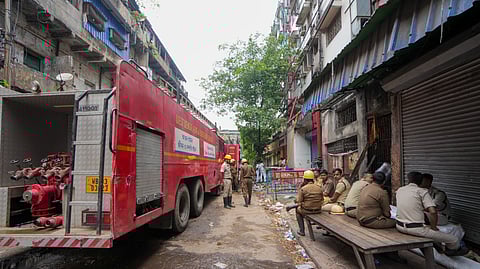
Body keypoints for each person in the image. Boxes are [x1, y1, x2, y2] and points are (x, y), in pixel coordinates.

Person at [396, 171, 468, 256]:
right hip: (416, 229)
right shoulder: (422, 191)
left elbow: (430, 210)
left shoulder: (400, 190)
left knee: (423, 219)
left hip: (399, 226)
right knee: (454, 240)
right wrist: (433, 228)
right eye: (424, 181)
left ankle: (437, 245)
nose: (425, 183)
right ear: (420, 181)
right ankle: (449, 251)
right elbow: (432, 211)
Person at [286, 170, 323, 236]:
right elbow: (322, 199)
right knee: (299, 206)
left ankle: (302, 231)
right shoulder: (319, 188)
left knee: (297, 211)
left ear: (305, 180)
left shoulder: (303, 189)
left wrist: (300, 188)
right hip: (318, 210)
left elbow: (298, 201)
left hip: (307, 210)